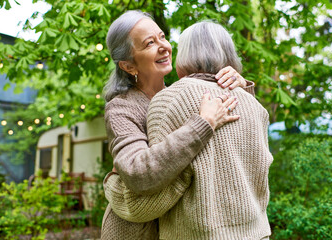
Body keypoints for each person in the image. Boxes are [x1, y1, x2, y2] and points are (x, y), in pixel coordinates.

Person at [105, 21, 273, 239]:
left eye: (162, 37)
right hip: (137, 231)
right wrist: (202, 124)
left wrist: (239, 91)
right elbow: (139, 174)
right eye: (149, 43)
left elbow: (232, 156)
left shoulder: (179, 95)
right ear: (128, 66)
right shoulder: (122, 108)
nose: (164, 46)